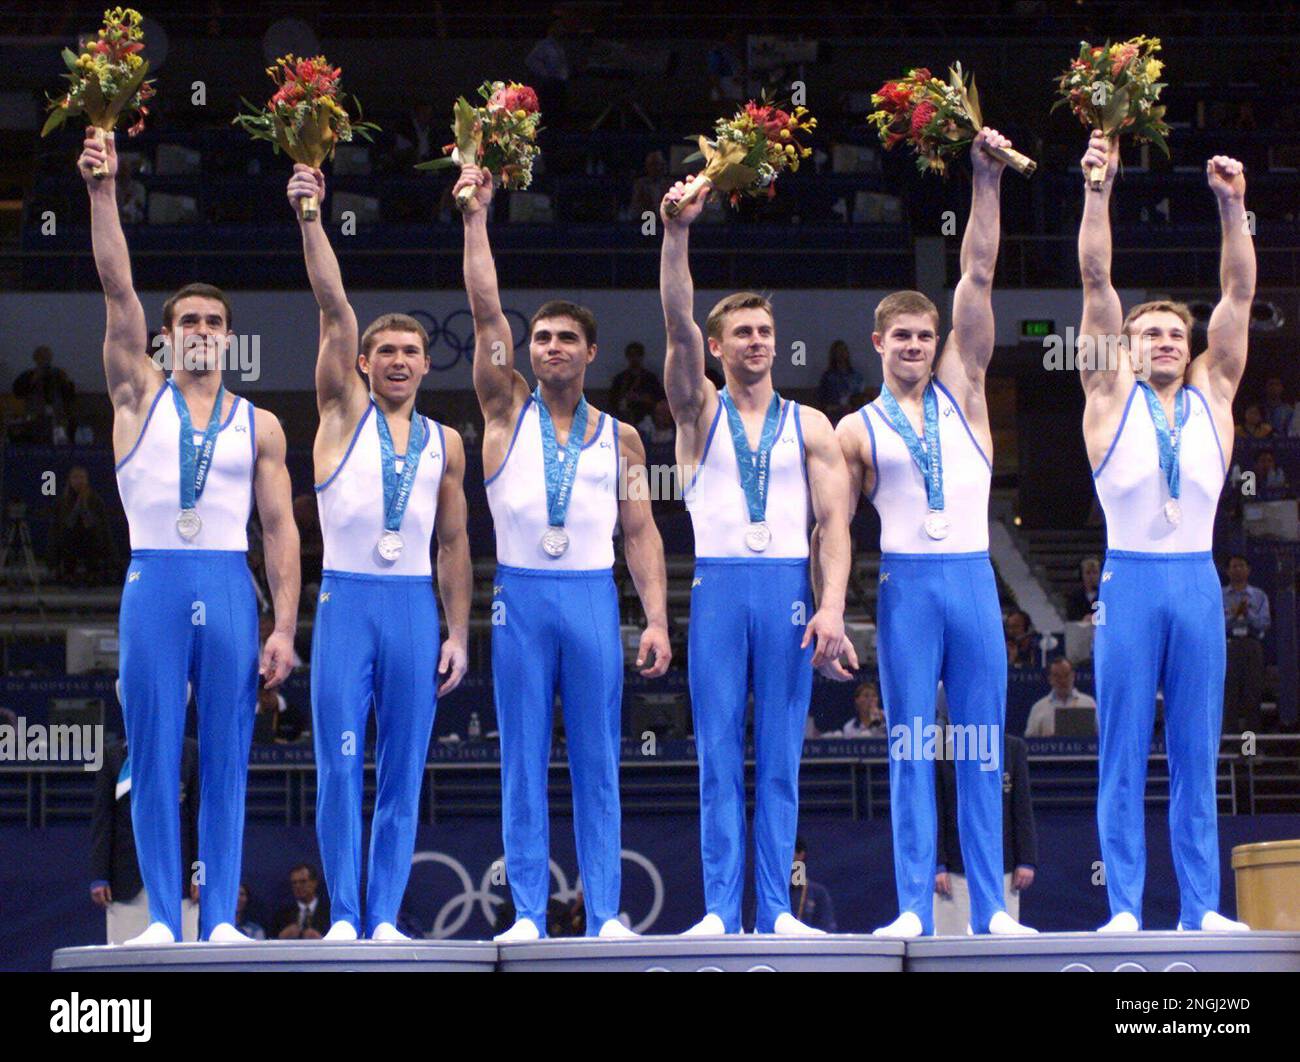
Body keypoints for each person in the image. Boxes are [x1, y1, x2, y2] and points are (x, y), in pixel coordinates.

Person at [79, 128, 299, 945]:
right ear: (166, 338)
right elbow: (114, 286)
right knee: (155, 757)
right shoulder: (136, 394)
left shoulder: (262, 425)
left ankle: (220, 923)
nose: (202, 329)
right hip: (155, 583)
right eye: (188, 320)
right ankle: (163, 921)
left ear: (228, 333)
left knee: (228, 763)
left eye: (215, 319)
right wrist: (104, 191)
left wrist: (282, 625)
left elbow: (278, 529)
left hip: (227, 582)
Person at [457, 162, 671, 941]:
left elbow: (641, 532)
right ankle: (524, 914)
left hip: (590, 594)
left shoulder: (621, 436)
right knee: (521, 762)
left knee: (596, 763)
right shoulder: (503, 410)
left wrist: (654, 619)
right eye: (539, 337)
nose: (548, 347)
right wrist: (478, 215)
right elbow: (485, 311)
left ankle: (608, 911)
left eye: (563, 339)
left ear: (590, 352)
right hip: (520, 598)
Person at [834, 129, 1035, 938]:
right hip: (907, 588)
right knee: (911, 748)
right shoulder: (855, 429)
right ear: (878, 344)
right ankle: (914, 906)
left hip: (972, 583)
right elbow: (836, 533)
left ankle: (992, 908)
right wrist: (829, 609)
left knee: (983, 746)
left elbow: (977, 272)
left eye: (926, 336)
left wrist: (984, 180)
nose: (917, 346)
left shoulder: (966, 389)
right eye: (902, 337)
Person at [659, 176, 857, 938]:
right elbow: (676, 324)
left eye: (764, 332)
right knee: (716, 756)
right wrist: (676, 234)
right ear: (717, 346)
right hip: (717, 590)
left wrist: (833, 606)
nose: (755, 342)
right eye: (740, 333)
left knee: (779, 760)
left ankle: (775, 909)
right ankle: (717, 909)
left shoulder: (813, 426)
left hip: (788, 596)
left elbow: (833, 528)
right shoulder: (696, 407)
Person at [1076, 129, 1253, 932]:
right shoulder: (1108, 392)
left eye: (1177, 334)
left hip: (1195, 580)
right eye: (1152, 333)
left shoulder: (1215, 392)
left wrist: (1233, 208)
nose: (1168, 342)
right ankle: (1121, 907)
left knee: (1194, 754)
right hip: (1131, 581)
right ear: (1127, 345)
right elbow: (1095, 275)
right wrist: (1098, 187)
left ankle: (1201, 908)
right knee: (1121, 754)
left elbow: (1239, 297)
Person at [289, 164, 472, 942]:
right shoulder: (340, 415)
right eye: (384, 351)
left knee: (402, 775)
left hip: (413, 611)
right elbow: (335, 309)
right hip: (347, 603)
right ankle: (342, 916)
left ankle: (387, 917)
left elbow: (455, 544)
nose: (397, 360)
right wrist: (309, 217)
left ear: (428, 363)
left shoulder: (447, 443)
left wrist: (458, 631)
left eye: (410, 351)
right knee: (339, 769)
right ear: (362, 363)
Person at [90, 737, 200, 944]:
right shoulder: (111, 755)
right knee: (125, 960)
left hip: (180, 880)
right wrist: (99, 876)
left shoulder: (190, 751)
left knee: (183, 960)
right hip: (127, 881)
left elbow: (198, 819)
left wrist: (200, 875)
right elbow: (103, 820)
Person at [934, 733, 1037, 935]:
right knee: (952, 950)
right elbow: (935, 810)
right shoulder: (940, 749)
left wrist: (1026, 860)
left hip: (1002, 868)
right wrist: (937, 864)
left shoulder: (1012, 747)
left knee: (1003, 951)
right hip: (954, 870)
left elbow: (1022, 807)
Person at [1222, 555, 1270, 735]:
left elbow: (1264, 623)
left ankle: (1249, 748)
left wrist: (1247, 612)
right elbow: (1215, 623)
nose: (1237, 569)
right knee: (1229, 695)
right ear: (1227, 571)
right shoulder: (1220, 595)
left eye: (1241, 566)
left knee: (1252, 694)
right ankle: (1231, 744)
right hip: (1229, 645)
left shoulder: (1258, 596)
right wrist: (1234, 615)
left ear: (1248, 570)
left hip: (1252, 645)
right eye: (1233, 566)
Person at [49, 466, 119, 585]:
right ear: (70, 480)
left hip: (90, 539)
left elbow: (97, 525)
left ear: (86, 480)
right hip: (70, 540)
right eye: (75, 478)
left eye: (81, 477)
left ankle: (93, 574)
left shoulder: (95, 500)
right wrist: (77, 509)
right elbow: (64, 525)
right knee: (66, 539)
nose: (79, 481)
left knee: (94, 537)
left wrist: (85, 508)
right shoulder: (63, 501)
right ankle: (68, 574)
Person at [12, 345, 77, 443]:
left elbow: (70, 396)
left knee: (61, 440)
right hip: (34, 417)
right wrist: (32, 380)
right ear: (35, 359)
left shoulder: (58, 374)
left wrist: (66, 381)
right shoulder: (28, 375)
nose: (44, 360)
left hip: (57, 417)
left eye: (47, 357)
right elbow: (18, 392)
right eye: (41, 357)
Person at [1024, 657, 1098, 737]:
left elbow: (1100, 734)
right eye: (1057, 676)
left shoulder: (1089, 703)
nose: (1062, 680)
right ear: (1050, 679)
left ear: (1073, 676)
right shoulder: (1038, 707)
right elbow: (1030, 740)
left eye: (1066, 675)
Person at [608, 341, 666, 426]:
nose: (634, 358)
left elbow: (659, 399)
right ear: (627, 357)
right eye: (631, 355)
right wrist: (626, 398)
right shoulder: (620, 379)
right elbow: (613, 401)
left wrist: (643, 399)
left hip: (647, 418)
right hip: (624, 417)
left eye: (637, 355)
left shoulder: (650, 378)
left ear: (642, 357)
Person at [790, 838, 838, 932]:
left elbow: (828, 930)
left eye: (787, 853)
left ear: (800, 855)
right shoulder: (771, 893)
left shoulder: (818, 893)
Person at [273, 863, 330, 939]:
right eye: (294, 883)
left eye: (303, 882)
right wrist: (281, 938)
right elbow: (268, 940)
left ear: (314, 883)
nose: (298, 886)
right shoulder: (282, 914)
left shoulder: (329, 912)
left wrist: (322, 939)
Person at [817, 340, 865, 423]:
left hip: (853, 415)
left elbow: (860, 396)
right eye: (838, 351)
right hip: (834, 416)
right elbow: (823, 401)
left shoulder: (855, 376)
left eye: (843, 350)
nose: (841, 354)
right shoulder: (828, 377)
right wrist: (835, 408)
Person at [1064, 556, 1102, 622]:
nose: (1091, 576)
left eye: (1095, 573)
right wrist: (1082, 619)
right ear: (1082, 575)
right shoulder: (1074, 596)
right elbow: (1071, 616)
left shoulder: (1105, 595)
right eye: (1088, 573)